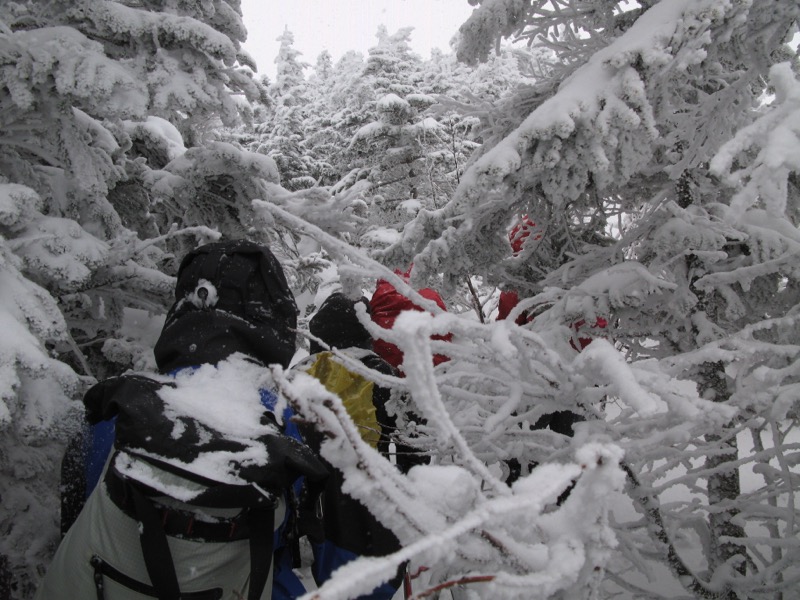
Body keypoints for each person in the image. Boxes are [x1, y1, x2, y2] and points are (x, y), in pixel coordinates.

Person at [39, 239, 327, 600]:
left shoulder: (118, 408)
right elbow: (287, 550)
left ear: (183, 308)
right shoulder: (289, 430)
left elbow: (74, 523)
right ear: (276, 315)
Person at [294, 292, 409, 599]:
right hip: (368, 514)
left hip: (310, 507)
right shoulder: (381, 373)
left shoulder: (298, 374)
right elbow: (412, 444)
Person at [369, 268, 451, 372]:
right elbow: (446, 331)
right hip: (431, 373)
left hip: (389, 374)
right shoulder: (431, 297)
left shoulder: (379, 297)